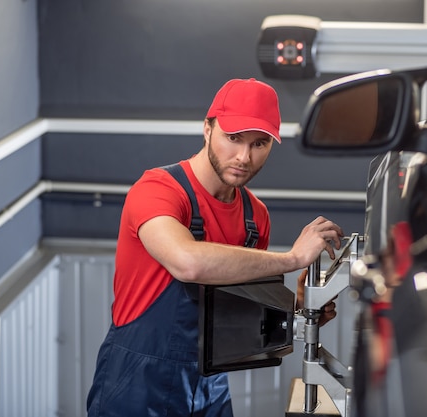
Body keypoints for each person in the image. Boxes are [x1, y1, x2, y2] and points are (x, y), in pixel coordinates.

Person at [86, 78, 344, 417]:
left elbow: (240, 319)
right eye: (233, 138)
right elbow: (187, 263)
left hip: (210, 386)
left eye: (259, 143)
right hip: (137, 384)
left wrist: (296, 309)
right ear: (208, 128)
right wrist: (292, 259)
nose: (244, 157)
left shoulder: (256, 217)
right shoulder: (158, 190)